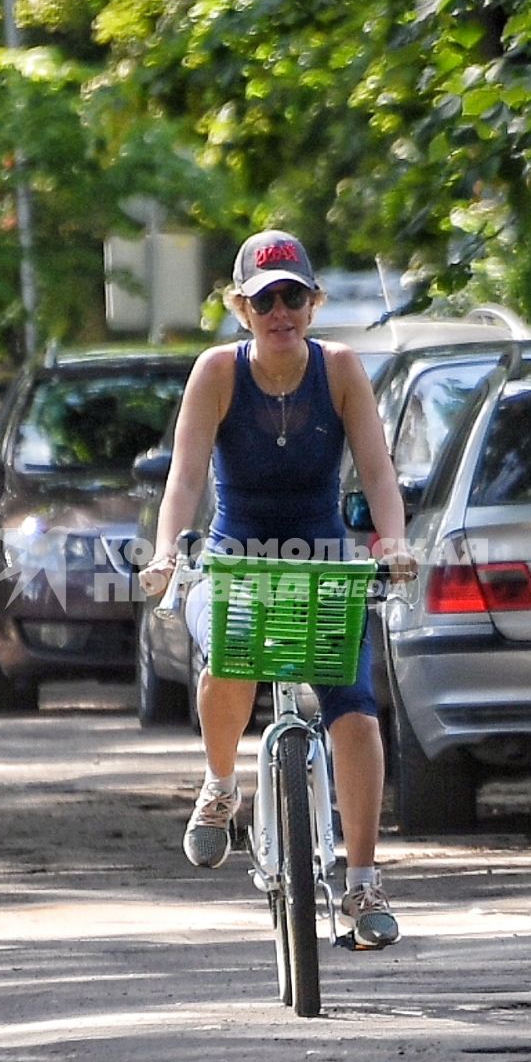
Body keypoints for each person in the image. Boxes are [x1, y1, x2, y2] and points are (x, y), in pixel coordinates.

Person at [140, 228, 417, 949]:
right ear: (241, 307)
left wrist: (393, 542)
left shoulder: (344, 370)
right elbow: (186, 478)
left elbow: (379, 473)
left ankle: (361, 882)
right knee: (228, 655)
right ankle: (221, 783)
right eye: (265, 299)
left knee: (354, 708)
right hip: (235, 554)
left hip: (323, 558)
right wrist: (168, 551)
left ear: (314, 302)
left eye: (293, 295)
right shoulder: (217, 372)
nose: (280, 311)